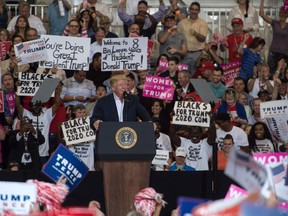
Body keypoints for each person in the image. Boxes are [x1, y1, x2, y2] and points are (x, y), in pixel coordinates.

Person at [15, 83, 62, 166]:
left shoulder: (47, 115)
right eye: (33, 105)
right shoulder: (27, 114)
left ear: (41, 105)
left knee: (42, 175)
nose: (35, 106)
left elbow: (57, 104)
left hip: (43, 152)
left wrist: (57, 92)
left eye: (37, 104)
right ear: (30, 107)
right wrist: (18, 90)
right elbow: (18, 105)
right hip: (29, 152)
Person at [177, 2, 208, 74]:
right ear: (189, 10)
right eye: (192, 9)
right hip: (185, 55)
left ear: (199, 11)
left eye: (196, 10)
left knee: (196, 77)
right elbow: (178, 39)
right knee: (183, 76)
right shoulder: (182, 23)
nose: (194, 11)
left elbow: (203, 39)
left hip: (197, 54)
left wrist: (196, 34)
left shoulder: (203, 23)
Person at [260, 0, 288, 75]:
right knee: (270, 74)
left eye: (285, 13)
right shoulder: (274, 23)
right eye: (281, 12)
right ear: (279, 13)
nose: (282, 14)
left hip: (284, 54)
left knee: (282, 76)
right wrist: (262, 1)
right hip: (273, 53)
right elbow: (262, 14)